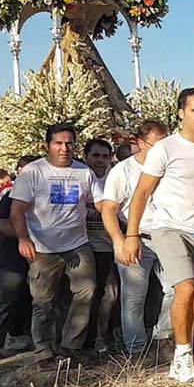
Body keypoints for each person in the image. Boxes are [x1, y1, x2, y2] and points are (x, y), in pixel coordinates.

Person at [123, 88, 194, 383]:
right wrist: (132, 235)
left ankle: (184, 349)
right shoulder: (165, 149)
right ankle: (182, 357)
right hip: (169, 227)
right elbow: (142, 192)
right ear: (181, 113)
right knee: (186, 288)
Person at [10, 124, 101, 361]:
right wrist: (23, 238)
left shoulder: (84, 172)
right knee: (43, 302)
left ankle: (71, 346)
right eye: (58, 143)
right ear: (47, 145)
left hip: (78, 244)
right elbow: (17, 211)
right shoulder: (32, 172)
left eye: (69, 143)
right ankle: (44, 351)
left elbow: (102, 204)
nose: (64, 148)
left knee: (87, 291)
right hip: (43, 248)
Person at [100, 120, 173, 357]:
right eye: (158, 144)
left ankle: (163, 336)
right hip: (135, 237)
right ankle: (135, 349)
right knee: (133, 297)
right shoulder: (122, 171)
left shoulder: (171, 167)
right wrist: (118, 240)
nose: (164, 149)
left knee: (175, 288)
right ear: (141, 143)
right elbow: (109, 209)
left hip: (166, 235)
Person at [0, 158, 39, 360]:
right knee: (3, 301)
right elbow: (5, 224)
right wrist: (27, 237)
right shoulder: (10, 195)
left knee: (36, 299)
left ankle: (23, 337)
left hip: (39, 254)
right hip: (9, 257)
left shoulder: (45, 192)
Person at [82, 138, 119, 353]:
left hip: (108, 247)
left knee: (110, 295)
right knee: (85, 295)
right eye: (96, 155)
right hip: (83, 246)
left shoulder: (113, 179)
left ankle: (101, 337)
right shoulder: (80, 176)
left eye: (105, 156)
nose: (100, 161)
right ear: (87, 156)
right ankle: (80, 341)